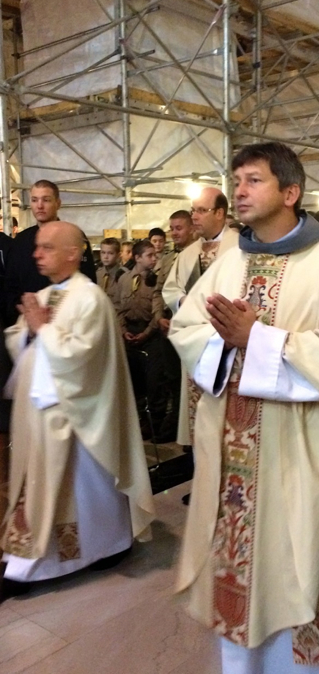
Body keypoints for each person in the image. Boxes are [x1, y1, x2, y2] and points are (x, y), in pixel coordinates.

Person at [169, 142, 319, 674]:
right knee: (236, 561)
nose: (240, 191)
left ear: (290, 192)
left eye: (253, 180)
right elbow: (186, 327)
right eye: (237, 181)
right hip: (233, 454)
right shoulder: (229, 262)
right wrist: (227, 341)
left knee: (298, 559)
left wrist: (257, 339)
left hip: (299, 449)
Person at [1, 222, 155, 598]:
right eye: (37, 247)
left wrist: (42, 329)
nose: (37, 254)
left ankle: (51, 562)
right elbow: (19, 336)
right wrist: (29, 330)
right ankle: (98, 547)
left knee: (81, 489)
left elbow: (84, 356)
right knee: (54, 489)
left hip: (78, 414)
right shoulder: (45, 294)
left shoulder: (90, 298)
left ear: (73, 253)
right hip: (43, 409)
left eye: (47, 248)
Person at [162, 187, 238, 449]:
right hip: (195, 338)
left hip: (226, 337)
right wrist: (185, 302)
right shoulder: (187, 253)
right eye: (193, 210)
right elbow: (171, 289)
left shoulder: (240, 247)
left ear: (220, 213)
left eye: (201, 210)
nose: (194, 216)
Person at [4, 180, 96, 325]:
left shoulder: (73, 237)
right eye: (34, 200)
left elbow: (88, 279)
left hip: (66, 319)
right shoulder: (21, 241)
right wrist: (22, 310)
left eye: (46, 200)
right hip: (26, 320)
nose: (39, 206)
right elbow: (10, 285)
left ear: (58, 203)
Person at [151, 210, 196, 442]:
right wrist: (159, 317)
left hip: (189, 328)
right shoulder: (167, 260)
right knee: (171, 379)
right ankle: (175, 425)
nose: (174, 233)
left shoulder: (200, 257)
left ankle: (185, 429)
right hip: (167, 327)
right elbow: (158, 291)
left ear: (192, 228)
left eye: (179, 228)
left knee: (188, 381)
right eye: (172, 228)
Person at [117, 239, 166, 439]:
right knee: (134, 382)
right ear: (137, 258)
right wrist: (123, 330)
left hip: (150, 334)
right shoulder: (124, 280)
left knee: (154, 382)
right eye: (149, 255)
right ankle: (139, 421)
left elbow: (158, 311)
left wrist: (146, 333)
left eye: (155, 255)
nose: (154, 259)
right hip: (130, 332)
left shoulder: (157, 281)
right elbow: (118, 308)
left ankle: (155, 424)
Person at [96, 237, 122, 306]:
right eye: (103, 253)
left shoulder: (123, 275)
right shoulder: (97, 274)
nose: (106, 257)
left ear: (118, 255)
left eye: (110, 253)